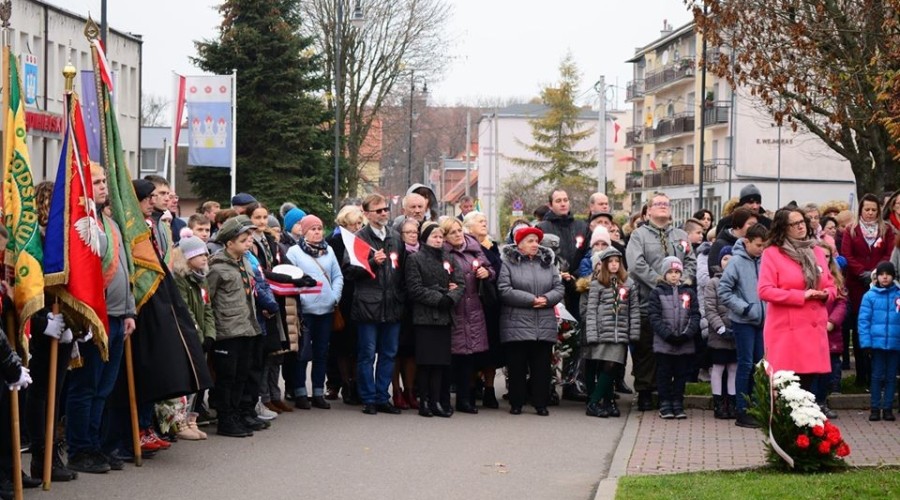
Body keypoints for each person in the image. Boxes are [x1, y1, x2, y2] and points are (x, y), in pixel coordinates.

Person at [626, 192, 696, 411]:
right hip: (649, 301)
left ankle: (669, 393)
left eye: (666, 204)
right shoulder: (639, 235)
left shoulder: (681, 235)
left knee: (672, 351)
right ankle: (645, 391)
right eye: (658, 204)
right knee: (647, 349)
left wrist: (685, 281)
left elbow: (691, 261)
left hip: (678, 305)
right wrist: (660, 283)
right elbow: (636, 265)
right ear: (648, 210)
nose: (663, 207)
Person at [758, 207, 836, 394]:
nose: (800, 226)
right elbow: (765, 290)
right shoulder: (773, 253)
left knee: (807, 390)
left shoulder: (816, 251)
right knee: (788, 392)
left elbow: (832, 284)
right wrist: (801, 295)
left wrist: (826, 294)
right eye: (794, 224)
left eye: (802, 222)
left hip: (813, 328)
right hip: (787, 331)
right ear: (783, 228)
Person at [347, 194, 406, 415]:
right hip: (367, 305)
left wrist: (400, 296)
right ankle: (369, 398)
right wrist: (371, 262)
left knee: (389, 353)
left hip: (392, 304)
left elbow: (402, 270)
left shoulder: (395, 237)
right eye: (378, 210)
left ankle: (383, 397)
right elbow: (349, 271)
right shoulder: (358, 238)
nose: (383, 213)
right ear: (366, 213)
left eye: (385, 209)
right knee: (367, 354)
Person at [497, 226, 564, 416]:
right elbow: (504, 289)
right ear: (519, 244)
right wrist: (531, 300)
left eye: (536, 241)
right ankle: (516, 402)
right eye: (530, 241)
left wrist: (547, 299)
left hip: (543, 322)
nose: (535, 245)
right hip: (516, 323)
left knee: (541, 368)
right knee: (517, 366)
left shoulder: (548, 263)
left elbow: (558, 288)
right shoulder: (508, 263)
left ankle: (540, 403)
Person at [208, 217, 262, 437]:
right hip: (227, 330)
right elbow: (208, 300)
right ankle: (225, 419)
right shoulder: (217, 267)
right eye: (243, 238)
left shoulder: (245, 262)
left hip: (247, 327)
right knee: (226, 377)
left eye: (250, 238)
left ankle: (238, 413)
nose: (249, 242)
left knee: (242, 374)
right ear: (229, 242)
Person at [405, 222, 464, 417]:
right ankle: (425, 402)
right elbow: (414, 288)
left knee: (440, 362)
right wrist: (440, 298)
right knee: (426, 362)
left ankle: (437, 401)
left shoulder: (449, 258)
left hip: (445, 316)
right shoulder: (415, 259)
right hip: (425, 317)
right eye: (434, 237)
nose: (438, 240)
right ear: (425, 238)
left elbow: (460, 284)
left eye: (440, 237)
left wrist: (450, 298)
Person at [286, 215, 344, 410]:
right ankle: (300, 392)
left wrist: (334, 297)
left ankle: (318, 392)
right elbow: (291, 278)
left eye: (320, 228)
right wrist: (302, 298)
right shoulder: (294, 252)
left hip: (326, 310)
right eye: (313, 229)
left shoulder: (329, 251)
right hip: (305, 311)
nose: (317, 232)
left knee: (321, 352)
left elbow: (337, 276)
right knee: (303, 354)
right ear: (304, 231)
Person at [842, 194, 896, 388]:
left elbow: (888, 253)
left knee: (879, 327)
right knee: (859, 329)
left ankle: (878, 374)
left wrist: (876, 273)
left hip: (881, 284)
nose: (871, 213)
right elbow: (847, 254)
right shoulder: (851, 230)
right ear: (861, 210)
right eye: (867, 209)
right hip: (857, 285)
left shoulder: (887, 230)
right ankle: (861, 374)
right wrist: (862, 273)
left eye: (874, 210)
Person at [718, 223, 768, 428]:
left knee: (759, 366)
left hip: (762, 321)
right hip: (744, 321)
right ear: (747, 242)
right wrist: (745, 308)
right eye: (758, 245)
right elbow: (724, 291)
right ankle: (742, 409)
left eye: (764, 245)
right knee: (745, 364)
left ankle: (757, 406)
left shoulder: (764, 260)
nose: (761, 249)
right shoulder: (736, 262)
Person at [442, 217, 493, 414]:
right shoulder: (444, 253)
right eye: (452, 232)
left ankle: (466, 398)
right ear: (445, 236)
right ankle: (448, 398)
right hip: (454, 309)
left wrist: (486, 273)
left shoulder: (474, 248)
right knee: (453, 356)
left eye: (459, 230)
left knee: (469, 357)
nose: (457, 234)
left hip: (473, 308)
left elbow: (490, 268)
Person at [583, 248, 639, 418]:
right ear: (605, 265)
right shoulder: (597, 284)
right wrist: (592, 334)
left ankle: (605, 401)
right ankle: (597, 402)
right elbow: (591, 311)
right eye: (610, 262)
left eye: (617, 261)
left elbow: (634, 310)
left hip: (620, 333)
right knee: (606, 366)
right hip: (603, 332)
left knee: (612, 366)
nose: (614, 265)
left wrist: (634, 333)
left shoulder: (629, 283)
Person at [648, 256, 700, 420]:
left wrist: (686, 334)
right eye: (670, 272)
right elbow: (655, 317)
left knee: (680, 374)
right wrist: (667, 335)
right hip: (664, 343)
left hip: (684, 342)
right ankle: (665, 403)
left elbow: (695, 315)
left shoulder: (689, 292)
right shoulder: (657, 292)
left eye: (677, 272)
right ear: (664, 274)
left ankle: (678, 401)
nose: (674, 275)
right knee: (664, 373)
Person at [324, 205, 365, 405]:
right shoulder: (335, 241)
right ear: (344, 223)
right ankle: (344, 383)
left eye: (360, 223)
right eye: (354, 223)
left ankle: (356, 383)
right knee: (342, 344)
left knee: (357, 344)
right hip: (343, 296)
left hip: (360, 295)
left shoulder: (361, 239)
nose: (358, 226)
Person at [462, 211, 503, 409]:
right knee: (473, 348)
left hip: (491, 303)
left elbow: (499, 270)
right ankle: (471, 387)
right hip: (472, 303)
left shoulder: (492, 247)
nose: (484, 223)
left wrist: (490, 273)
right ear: (469, 227)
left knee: (492, 349)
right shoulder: (465, 248)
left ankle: (489, 388)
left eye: (485, 220)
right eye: (480, 221)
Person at [858, 261, 900, 422]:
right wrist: (866, 342)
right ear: (877, 277)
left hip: (895, 344)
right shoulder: (870, 296)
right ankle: (875, 408)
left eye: (888, 274)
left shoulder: (898, 295)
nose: (885, 277)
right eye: (881, 274)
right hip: (876, 344)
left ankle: (887, 408)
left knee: (890, 377)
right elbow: (864, 321)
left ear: (893, 276)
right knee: (876, 377)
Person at [704, 246, 737, 419]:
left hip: (736, 331)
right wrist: (721, 328)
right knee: (718, 367)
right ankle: (718, 402)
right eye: (725, 258)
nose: (729, 261)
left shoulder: (740, 281)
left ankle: (731, 402)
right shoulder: (713, 283)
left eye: (732, 258)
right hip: (719, 333)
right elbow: (710, 308)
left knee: (733, 367)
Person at [391, 218, 421, 410]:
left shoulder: (422, 252)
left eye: (415, 232)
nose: (412, 235)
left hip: (416, 309)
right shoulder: (398, 254)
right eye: (407, 232)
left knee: (411, 352)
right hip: (398, 306)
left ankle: (410, 390)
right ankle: (396, 391)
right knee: (396, 352)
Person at [818, 242, 847, 416]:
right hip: (812, 329)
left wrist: (832, 321)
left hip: (830, 331)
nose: (823, 259)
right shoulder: (809, 275)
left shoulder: (836, 277)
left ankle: (822, 402)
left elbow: (842, 303)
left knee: (826, 371)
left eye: (827, 256)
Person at [708, 208, 758, 276]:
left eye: (756, 225)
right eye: (751, 224)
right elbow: (714, 271)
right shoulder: (720, 244)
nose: (755, 228)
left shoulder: (754, 245)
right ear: (738, 226)